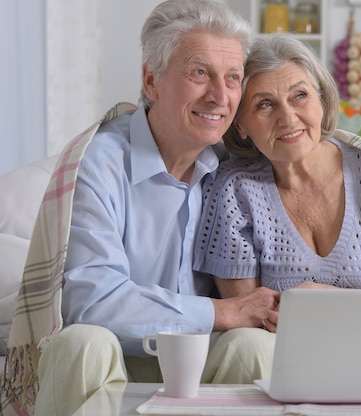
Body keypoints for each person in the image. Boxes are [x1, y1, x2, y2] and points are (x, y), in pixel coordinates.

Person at [0, 2, 278, 416]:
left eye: (233, 77)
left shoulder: (236, 167)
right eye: (199, 73)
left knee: (254, 345)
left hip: (201, 363)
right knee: (84, 342)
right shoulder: (97, 163)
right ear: (151, 80)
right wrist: (221, 311)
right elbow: (92, 300)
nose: (220, 96)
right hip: (114, 364)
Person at [193, 33, 361, 322]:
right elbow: (247, 321)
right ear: (240, 124)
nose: (288, 117)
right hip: (282, 358)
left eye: (300, 96)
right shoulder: (234, 189)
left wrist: (311, 301)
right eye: (265, 105)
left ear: (321, 101)